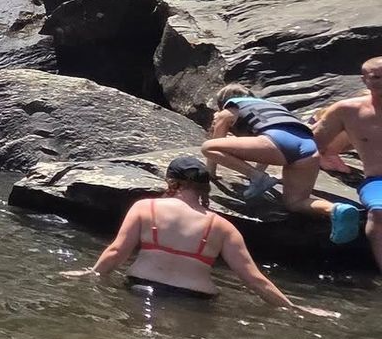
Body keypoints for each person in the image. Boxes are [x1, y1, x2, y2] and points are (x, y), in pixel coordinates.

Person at [66, 155, 335, 316]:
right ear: (205, 188)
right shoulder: (222, 226)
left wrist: (91, 273)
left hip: (140, 290)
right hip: (195, 302)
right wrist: (293, 308)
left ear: (171, 182)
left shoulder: (145, 207)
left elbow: (116, 252)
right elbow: (254, 279)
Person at [202, 85, 337, 215]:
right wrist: (259, 170)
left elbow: (215, 142)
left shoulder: (229, 110)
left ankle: (258, 178)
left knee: (208, 147)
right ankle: (336, 209)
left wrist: (211, 174)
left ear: (222, 102)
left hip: (277, 143)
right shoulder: (271, 106)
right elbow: (267, 143)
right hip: (309, 149)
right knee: (296, 202)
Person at [310, 56, 382, 263]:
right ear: (364, 80)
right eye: (376, 77)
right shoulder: (347, 110)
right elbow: (310, 142)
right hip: (378, 181)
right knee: (379, 213)